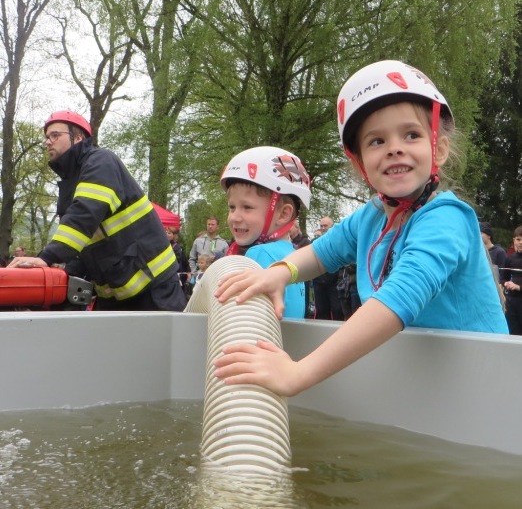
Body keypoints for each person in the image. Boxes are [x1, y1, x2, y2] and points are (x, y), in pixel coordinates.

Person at [213, 59, 508, 397]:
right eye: (377, 141)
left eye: (411, 135)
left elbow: (399, 299)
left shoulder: (446, 218)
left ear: (437, 148)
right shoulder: (371, 217)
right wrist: (280, 272)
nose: (395, 147)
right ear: (359, 162)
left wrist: (298, 373)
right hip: (426, 387)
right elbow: (321, 253)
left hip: (484, 387)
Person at [8, 110, 186, 311]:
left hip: (154, 290)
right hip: (114, 296)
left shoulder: (101, 161)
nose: (48, 142)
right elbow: (81, 244)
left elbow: (84, 215)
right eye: (47, 137)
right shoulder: (70, 183)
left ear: (78, 137)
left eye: (55, 135)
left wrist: (46, 257)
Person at [221, 146, 312, 319]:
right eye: (232, 207)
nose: (234, 217)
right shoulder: (295, 256)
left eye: (247, 207)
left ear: (283, 214)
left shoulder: (259, 253)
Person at [311, 216, 344, 321]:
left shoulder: (338, 241)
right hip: (318, 282)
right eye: (321, 226)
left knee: (337, 309)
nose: (323, 228)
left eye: (325, 226)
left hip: (334, 281)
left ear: (332, 226)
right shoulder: (314, 243)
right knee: (321, 310)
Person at [500, 225, 522, 335]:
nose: (521, 242)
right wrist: (506, 283)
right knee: (513, 333)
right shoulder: (509, 258)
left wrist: (519, 287)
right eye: (518, 239)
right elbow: (503, 278)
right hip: (511, 301)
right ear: (514, 241)